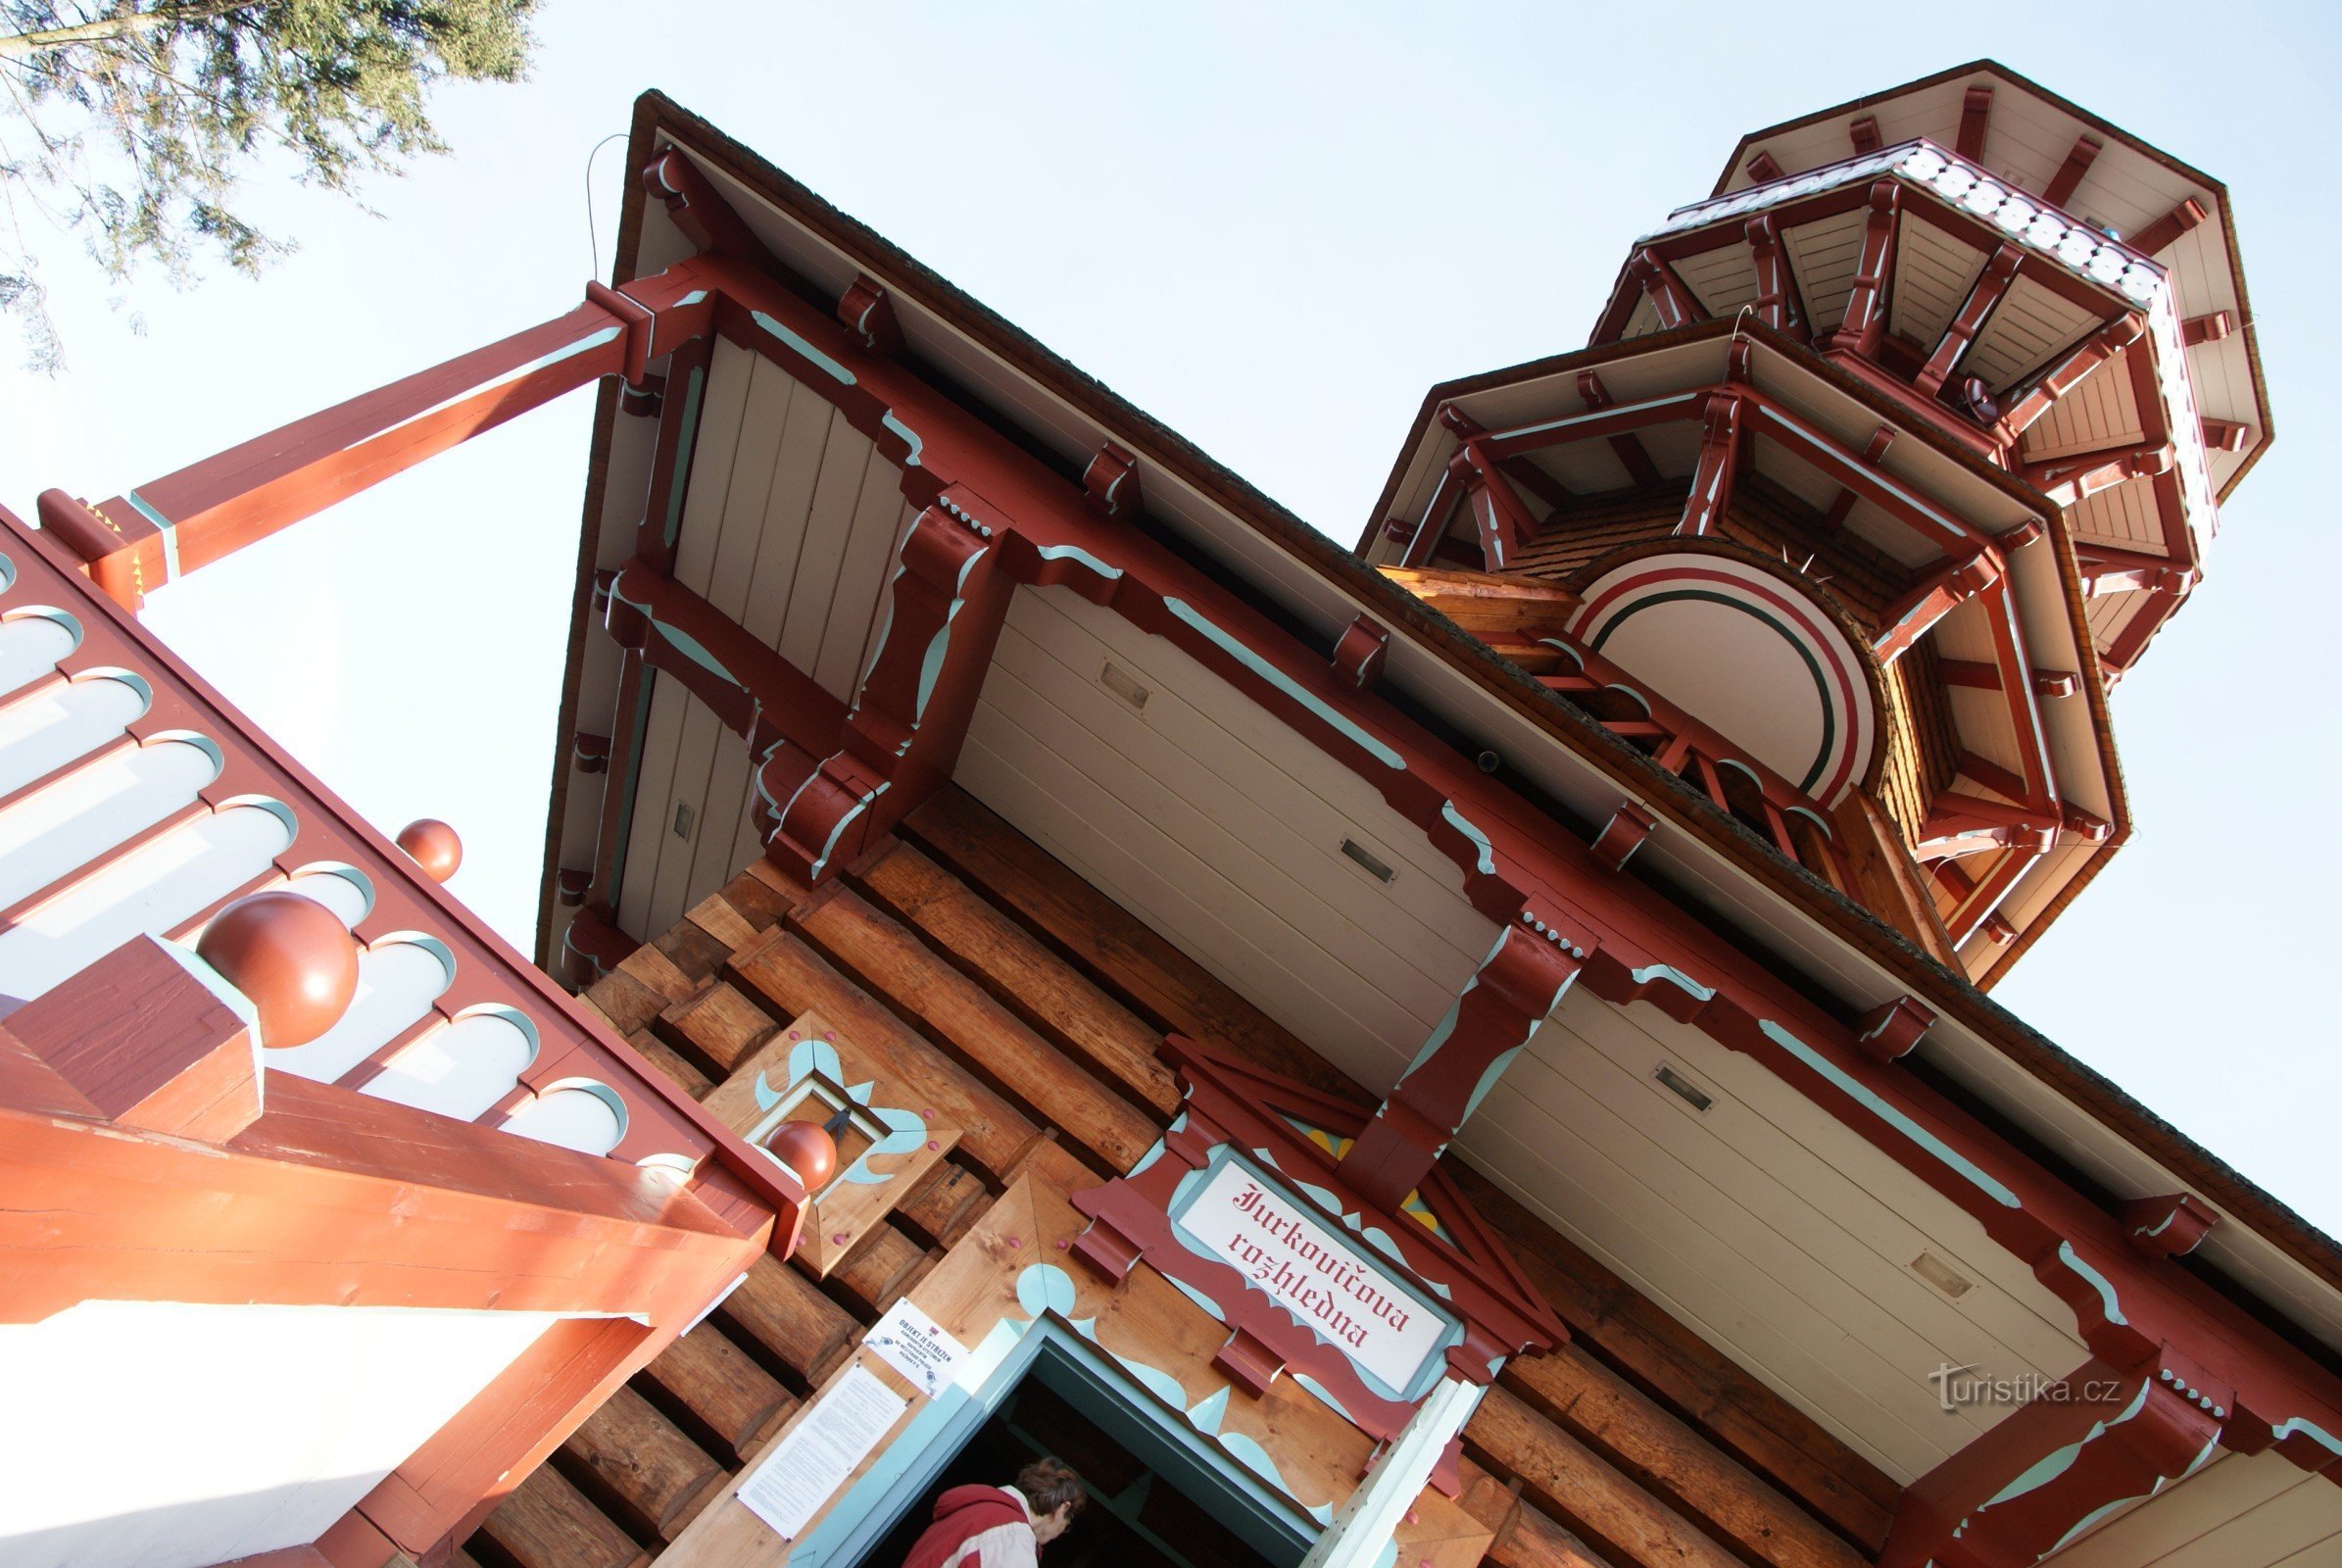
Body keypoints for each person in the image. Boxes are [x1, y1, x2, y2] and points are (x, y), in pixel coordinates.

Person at [901, 1456, 1086, 1567]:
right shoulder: (1014, 1538)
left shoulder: (976, 1508)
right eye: (1067, 1523)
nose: (1060, 1531)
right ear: (1062, 1509)